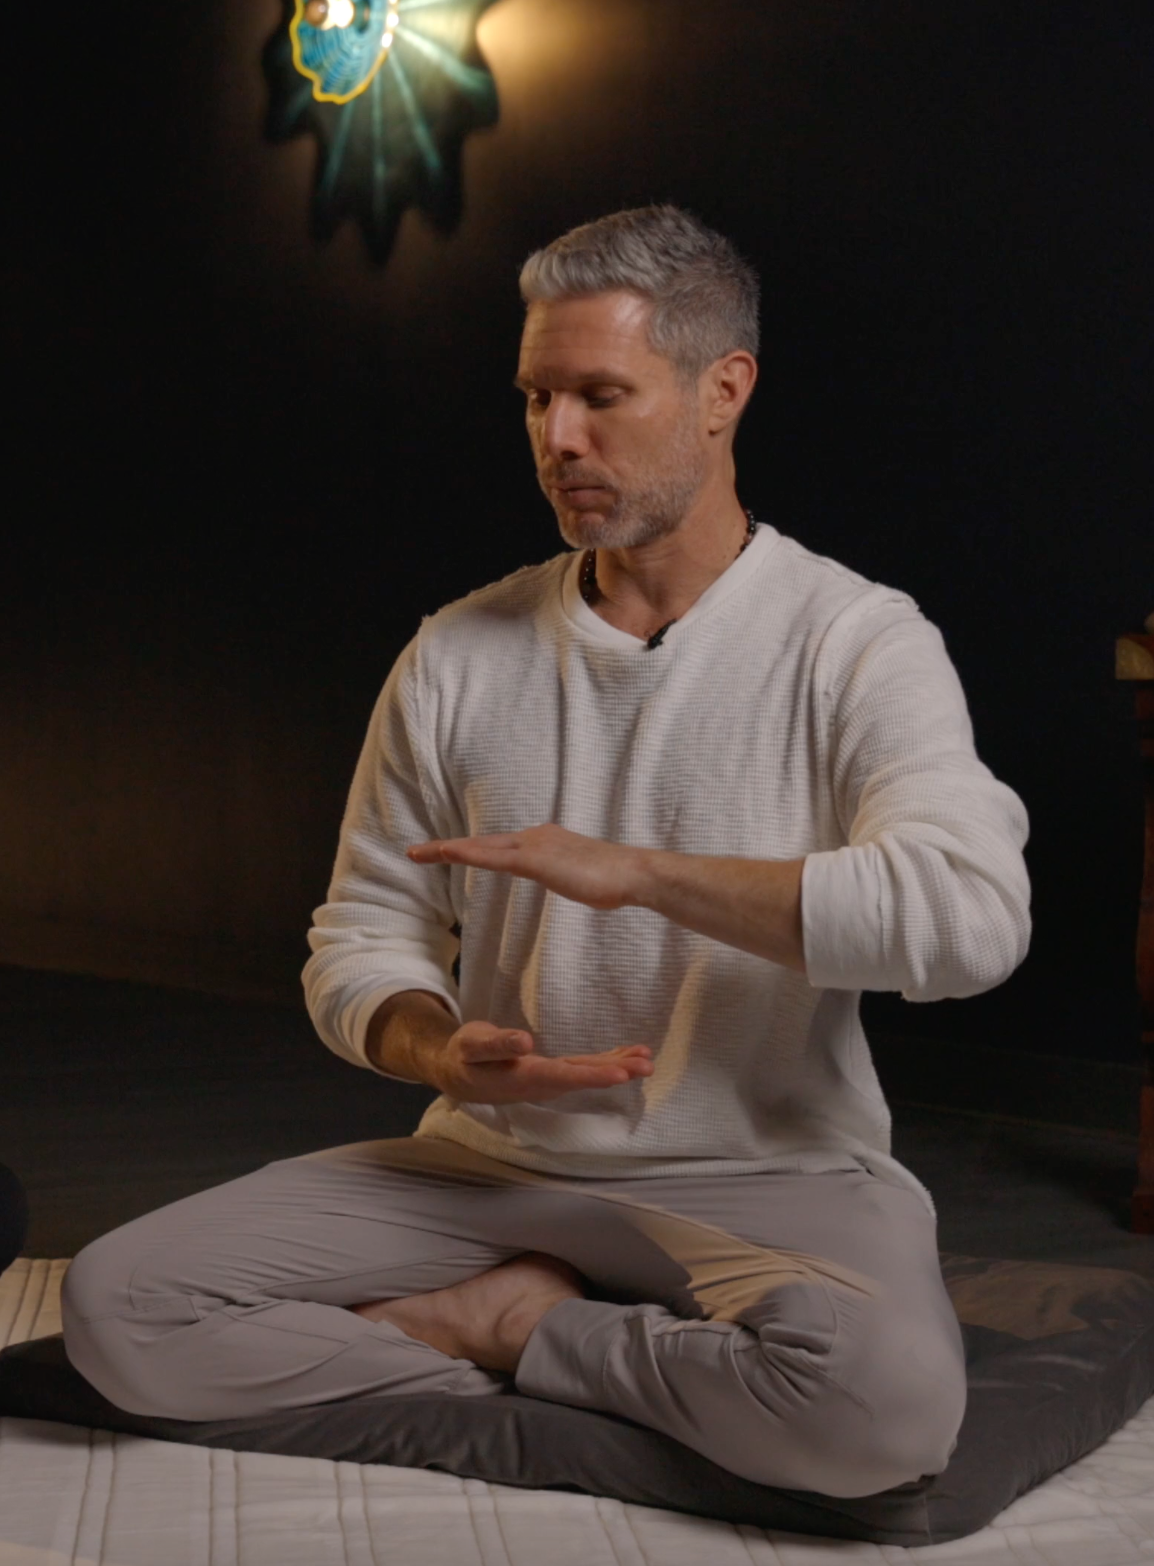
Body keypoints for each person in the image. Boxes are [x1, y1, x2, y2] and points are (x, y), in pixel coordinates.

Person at [60, 206, 1030, 1500]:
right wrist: (429, 1042)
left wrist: (633, 871)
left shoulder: (853, 640)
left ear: (720, 391)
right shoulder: (458, 651)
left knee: (881, 1416)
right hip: (487, 1165)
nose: (556, 438)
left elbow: (968, 919)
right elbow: (362, 934)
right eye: (534, 397)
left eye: (599, 396)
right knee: (118, 1308)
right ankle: (579, 1343)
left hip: (768, 1175)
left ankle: (516, 1327)